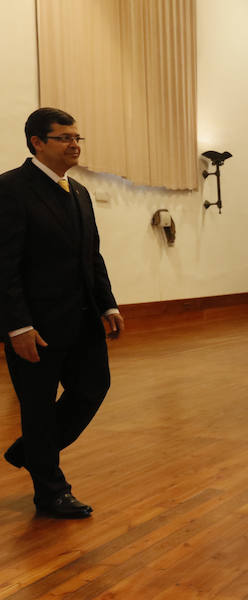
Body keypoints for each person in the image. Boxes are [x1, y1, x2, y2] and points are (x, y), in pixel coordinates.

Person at [0, 107, 124, 519]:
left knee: (92, 388)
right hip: (35, 327)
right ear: (37, 142)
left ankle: (30, 449)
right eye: (64, 138)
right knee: (36, 406)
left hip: (82, 318)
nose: (74, 145)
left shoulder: (80, 192)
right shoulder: (11, 190)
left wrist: (107, 302)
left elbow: (91, 254)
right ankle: (51, 492)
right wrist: (17, 325)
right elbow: (5, 265)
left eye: (77, 138)